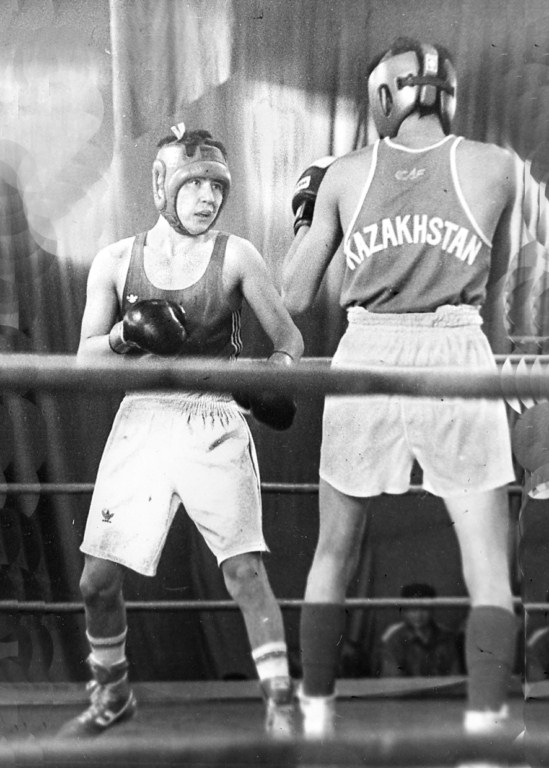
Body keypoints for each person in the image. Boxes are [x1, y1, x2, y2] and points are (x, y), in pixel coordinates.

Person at [282, 38, 517, 738]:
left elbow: (293, 296)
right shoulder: (496, 167)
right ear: (447, 93)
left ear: (384, 96)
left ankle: (316, 720)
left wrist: (307, 213)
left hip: (369, 351)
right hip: (459, 350)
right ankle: (485, 728)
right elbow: (498, 296)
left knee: (334, 550)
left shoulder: (345, 174)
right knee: (486, 562)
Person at [57, 123, 304, 739]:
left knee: (244, 572)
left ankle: (282, 705)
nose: (207, 198)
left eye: (217, 187)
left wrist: (274, 378)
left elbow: (289, 337)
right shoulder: (117, 260)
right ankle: (112, 695)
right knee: (96, 582)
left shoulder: (237, 255)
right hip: (143, 416)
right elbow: (86, 357)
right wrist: (126, 334)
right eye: (194, 185)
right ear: (163, 186)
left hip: (214, 416)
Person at [379, 584, 463, 678]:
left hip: (443, 687)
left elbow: (454, 675)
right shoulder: (395, 641)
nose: (418, 615)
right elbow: (392, 680)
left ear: (432, 609)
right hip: (407, 688)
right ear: (404, 611)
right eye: (412, 609)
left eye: (424, 608)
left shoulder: (446, 638)